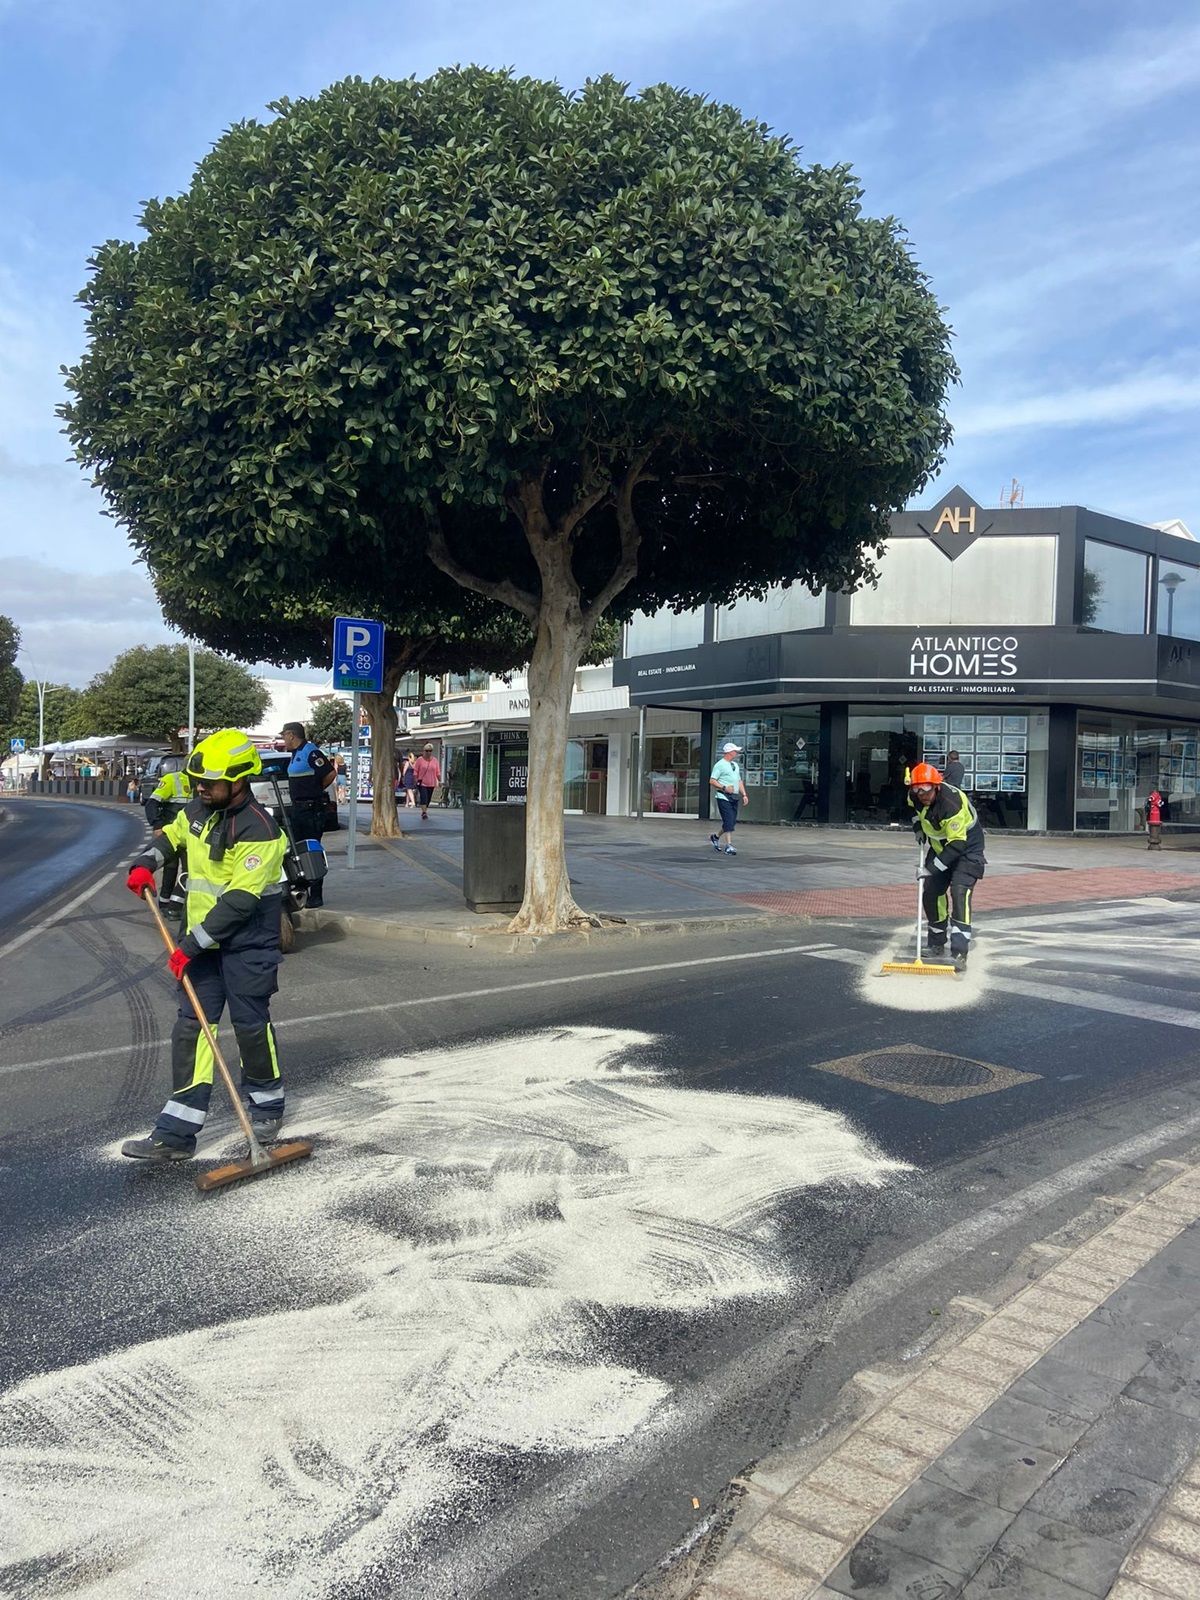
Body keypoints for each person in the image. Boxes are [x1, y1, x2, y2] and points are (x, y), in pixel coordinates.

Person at [121, 729, 287, 1162]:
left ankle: (267, 1107)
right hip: (201, 945)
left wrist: (189, 947)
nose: (199, 789)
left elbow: (238, 902)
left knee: (251, 1025)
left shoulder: (261, 829)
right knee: (192, 1029)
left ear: (238, 781)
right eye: (197, 781)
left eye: (208, 782)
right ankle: (176, 1134)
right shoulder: (198, 809)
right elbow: (170, 837)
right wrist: (145, 863)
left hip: (247, 944)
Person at [908, 761, 986, 969]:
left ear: (936, 786)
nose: (921, 795)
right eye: (916, 790)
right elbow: (915, 812)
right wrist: (918, 828)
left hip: (967, 849)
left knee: (960, 892)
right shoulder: (915, 797)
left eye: (925, 790)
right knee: (931, 892)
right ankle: (936, 943)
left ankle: (960, 952)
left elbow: (957, 845)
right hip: (939, 845)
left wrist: (930, 869)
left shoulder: (951, 805)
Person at [280, 720, 336, 906]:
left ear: (291, 735)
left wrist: (316, 790)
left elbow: (330, 773)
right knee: (297, 851)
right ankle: (301, 890)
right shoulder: (295, 753)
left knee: (312, 850)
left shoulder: (311, 752)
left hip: (311, 809)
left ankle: (316, 895)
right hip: (298, 809)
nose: (283, 740)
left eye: (284, 736)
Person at [143, 757, 192, 917]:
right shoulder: (172, 779)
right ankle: (165, 905)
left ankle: (177, 905)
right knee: (170, 869)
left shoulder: (202, 783)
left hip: (190, 835)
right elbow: (152, 803)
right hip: (169, 833)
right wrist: (157, 825)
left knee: (190, 871)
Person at [708, 740, 748, 855]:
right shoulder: (719, 765)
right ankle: (728, 845)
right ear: (729, 752)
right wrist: (724, 787)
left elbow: (739, 781)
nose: (737, 753)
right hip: (723, 796)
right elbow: (712, 780)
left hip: (734, 796)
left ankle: (715, 837)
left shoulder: (735, 765)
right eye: (735, 751)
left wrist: (744, 794)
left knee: (731, 822)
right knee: (729, 820)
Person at [413, 743, 442, 820]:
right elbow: (416, 771)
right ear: (424, 751)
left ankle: (425, 810)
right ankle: (424, 812)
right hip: (422, 783)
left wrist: (440, 780)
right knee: (424, 797)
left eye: (430, 751)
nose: (428, 752)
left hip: (431, 783)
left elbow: (438, 772)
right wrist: (415, 779)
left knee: (428, 799)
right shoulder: (420, 760)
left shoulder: (435, 760)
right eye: (427, 751)